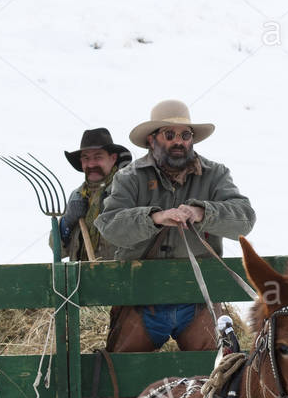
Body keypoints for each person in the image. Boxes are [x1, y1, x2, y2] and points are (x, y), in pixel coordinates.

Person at [95, 99, 256, 352]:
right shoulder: (129, 177)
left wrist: (203, 212)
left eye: (185, 135)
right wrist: (154, 218)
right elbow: (109, 226)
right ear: (152, 139)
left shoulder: (216, 174)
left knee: (216, 378)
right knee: (123, 379)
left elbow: (245, 220)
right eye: (169, 135)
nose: (179, 141)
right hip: (140, 298)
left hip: (197, 300)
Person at [51, 127, 130, 262]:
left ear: (113, 158)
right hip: (80, 278)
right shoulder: (77, 195)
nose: (91, 164)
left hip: (118, 275)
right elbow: (56, 247)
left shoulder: (127, 190)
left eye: (98, 157)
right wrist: (67, 222)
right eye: (86, 158)